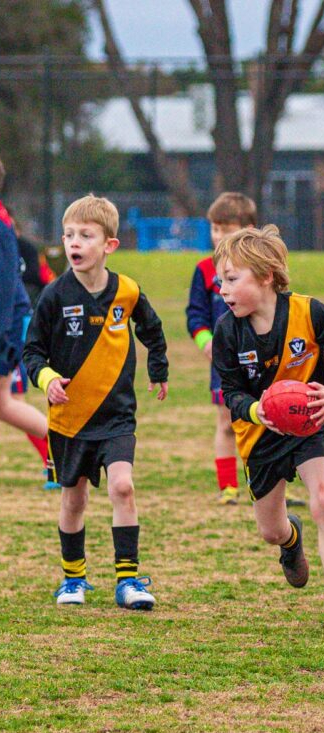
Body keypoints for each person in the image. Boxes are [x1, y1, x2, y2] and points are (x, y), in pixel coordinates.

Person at [212, 225, 324, 637]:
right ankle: (290, 538)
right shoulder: (227, 330)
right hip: (260, 435)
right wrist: (256, 409)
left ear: (266, 276)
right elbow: (231, 392)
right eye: (220, 281)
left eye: (232, 279)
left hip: (308, 423)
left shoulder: (310, 313)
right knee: (270, 531)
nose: (223, 290)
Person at [23, 194, 169, 608]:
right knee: (74, 499)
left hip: (117, 416)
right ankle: (73, 579)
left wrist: (158, 369)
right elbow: (32, 352)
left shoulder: (127, 291)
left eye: (86, 235)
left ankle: (128, 580)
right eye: (69, 235)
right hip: (70, 419)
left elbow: (152, 329)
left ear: (109, 245)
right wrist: (48, 379)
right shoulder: (54, 295)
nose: (75, 242)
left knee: (123, 487)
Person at [186, 191, 306, 508]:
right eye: (214, 229)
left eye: (226, 230)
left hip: (267, 359)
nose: (218, 236)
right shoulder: (205, 270)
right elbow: (195, 315)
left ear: (249, 230)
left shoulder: (262, 270)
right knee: (227, 422)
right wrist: (207, 343)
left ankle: (279, 486)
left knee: (276, 418)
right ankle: (228, 486)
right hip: (226, 361)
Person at [0, 159, 51, 470]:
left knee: (5, 403)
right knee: (4, 404)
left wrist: (2, 332)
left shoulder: (2, 226)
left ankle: (69, 446)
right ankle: (70, 447)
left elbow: (6, 284)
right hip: (9, 321)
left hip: (6, 324)